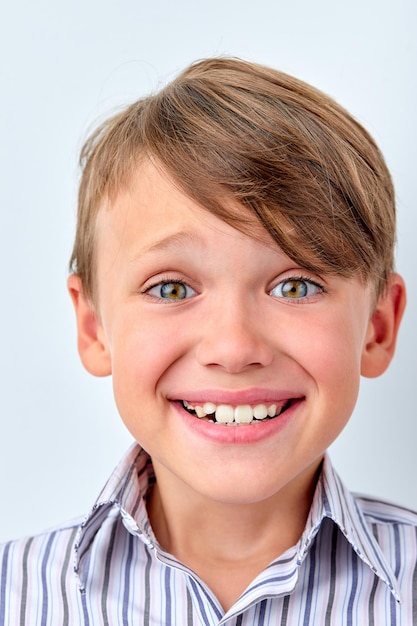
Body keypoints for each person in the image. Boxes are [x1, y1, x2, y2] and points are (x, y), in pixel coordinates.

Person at [0, 57, 415, 625]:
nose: (234, 346)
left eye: (295, 285)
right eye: (170, 288)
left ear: (378, 327)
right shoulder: (13, 594)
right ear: (94, 328)